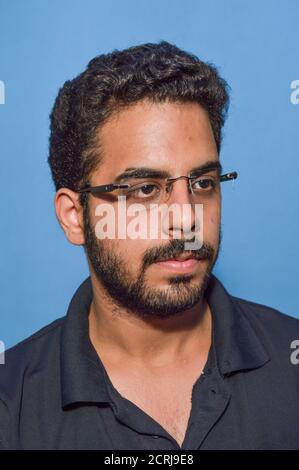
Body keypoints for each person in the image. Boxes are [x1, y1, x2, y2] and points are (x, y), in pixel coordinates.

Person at [0, 41, 298, 450]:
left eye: (203, 183)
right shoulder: (11, 405)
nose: (186, 218)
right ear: (75, 216)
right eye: (144, 189)